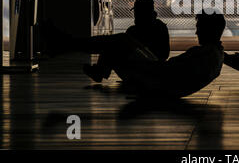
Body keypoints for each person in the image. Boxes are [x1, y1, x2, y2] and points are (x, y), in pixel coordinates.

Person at [45, 9, 226, 99]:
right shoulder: (212, 54)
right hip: (159, 77)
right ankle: (68, 45)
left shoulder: (204, 54)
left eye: (199, 29)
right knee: (121, 42)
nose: (196, 33)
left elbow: (167, 72)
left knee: (121, 41)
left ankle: (68, 44)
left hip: (154, 79)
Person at [83, 0, 170, 82]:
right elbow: (165, 54)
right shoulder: (158, 27)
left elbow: (163, 54)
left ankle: (99, 71)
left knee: (116, 42)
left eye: (137, 11)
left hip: (147, 69)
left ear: (143, 12)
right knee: (113, 44)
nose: (135, 14)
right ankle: (99, 71)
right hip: (145, 69)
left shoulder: (148, 29)